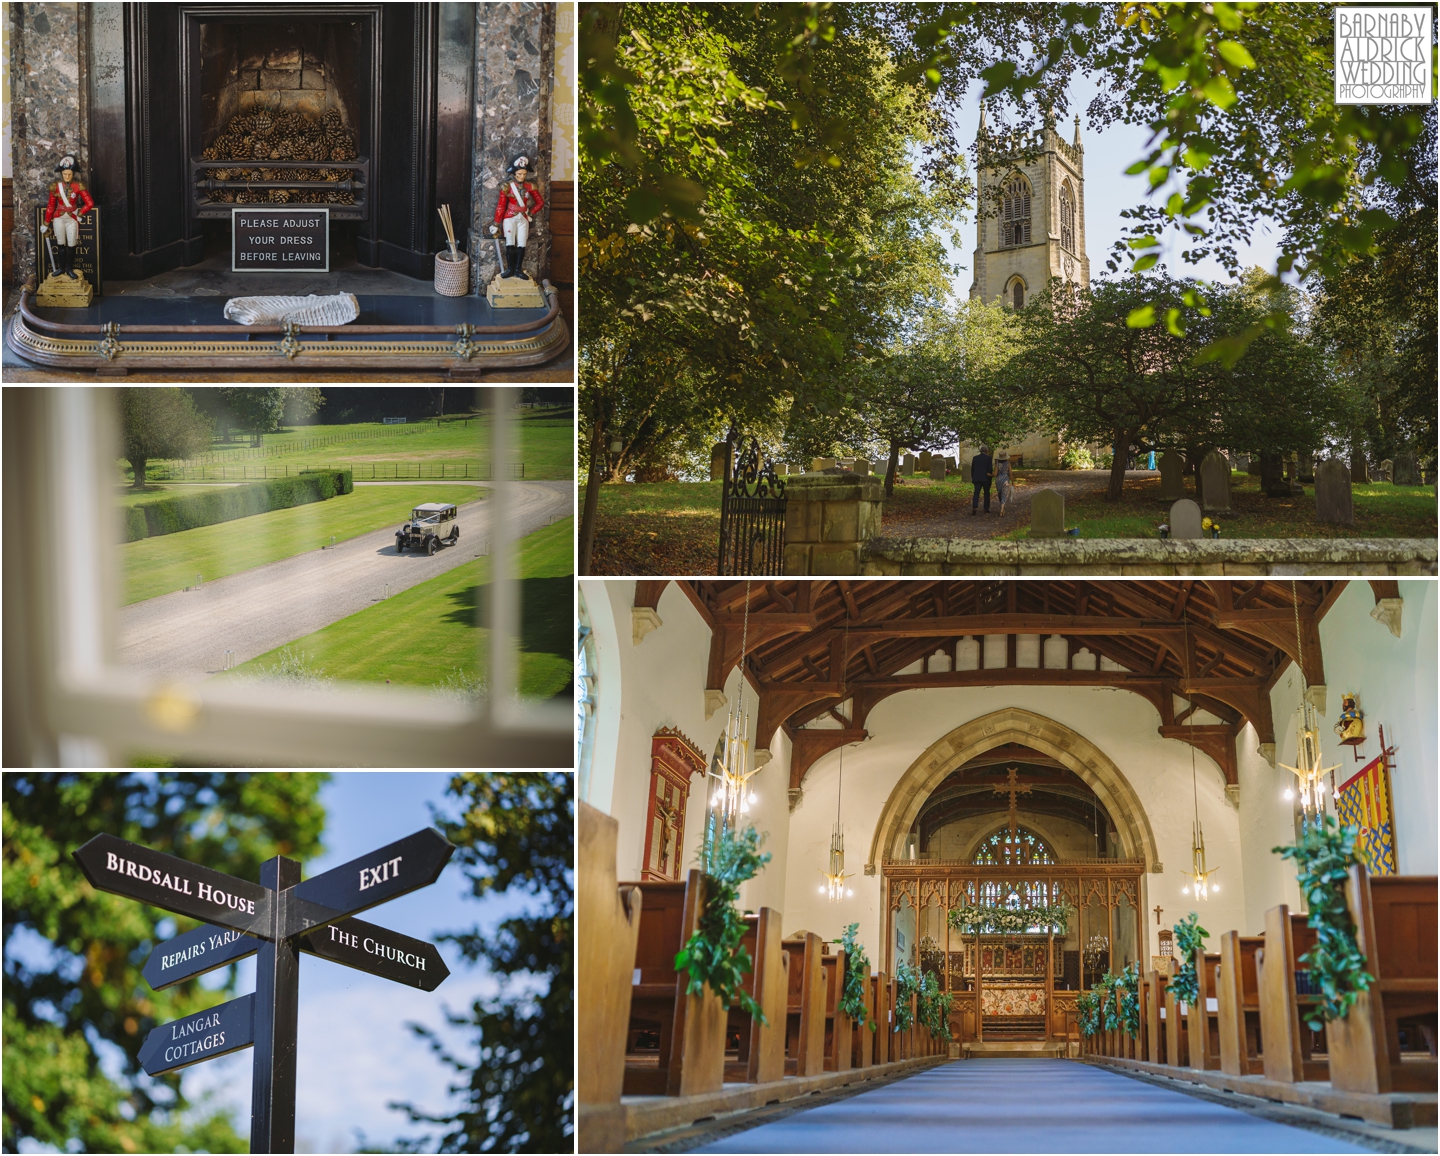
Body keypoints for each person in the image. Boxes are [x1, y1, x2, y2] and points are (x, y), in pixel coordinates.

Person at [489, 155, 544, 279]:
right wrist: (496, 223)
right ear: (514, 173)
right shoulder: (507, 186)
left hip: (523, 217)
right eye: (519, 174)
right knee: (510, 243)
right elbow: (501, 206)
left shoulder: (530, 186)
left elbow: (540, 202)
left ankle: (518, 270)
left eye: (524, 173)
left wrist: (531, 213)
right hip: (510, 217)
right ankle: (510, 269)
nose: (522, 176)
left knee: (522, 243)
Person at [44, 154, 94, 280]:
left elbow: (90, 203)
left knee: (71, 245)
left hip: (72, 218)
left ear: (73, 173)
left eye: (69, 174)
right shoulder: (55, 186)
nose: (67, 177)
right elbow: (50, 206)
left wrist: (81, 213)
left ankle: (69, 269)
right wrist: (45, 223)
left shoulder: (78, 186)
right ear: (61, 173)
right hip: (59, 218)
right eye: (65, 174)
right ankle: (61, 268)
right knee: (60, 244)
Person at [970, 445, 994, 515]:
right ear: (986, 451)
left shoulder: (975, 458)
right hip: (986, 478)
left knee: (976, 493)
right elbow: (989, 469)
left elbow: (973, 469)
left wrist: (973, 478)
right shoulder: (989, 458)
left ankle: (974, 507)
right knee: (986, 493)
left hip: (977, 478)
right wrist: (990, 477)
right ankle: (986, 508)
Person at [994, 450, 1012, 515]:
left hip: (998, 480)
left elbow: (995, 473)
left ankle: (1001, 506)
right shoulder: (1008, 463)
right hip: (1005, 479)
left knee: (1000, 493)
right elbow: (1010, 473)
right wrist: (1012, 480)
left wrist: (991, 475)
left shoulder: (997, 463)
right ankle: (1002, 509)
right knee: (1004, 493)